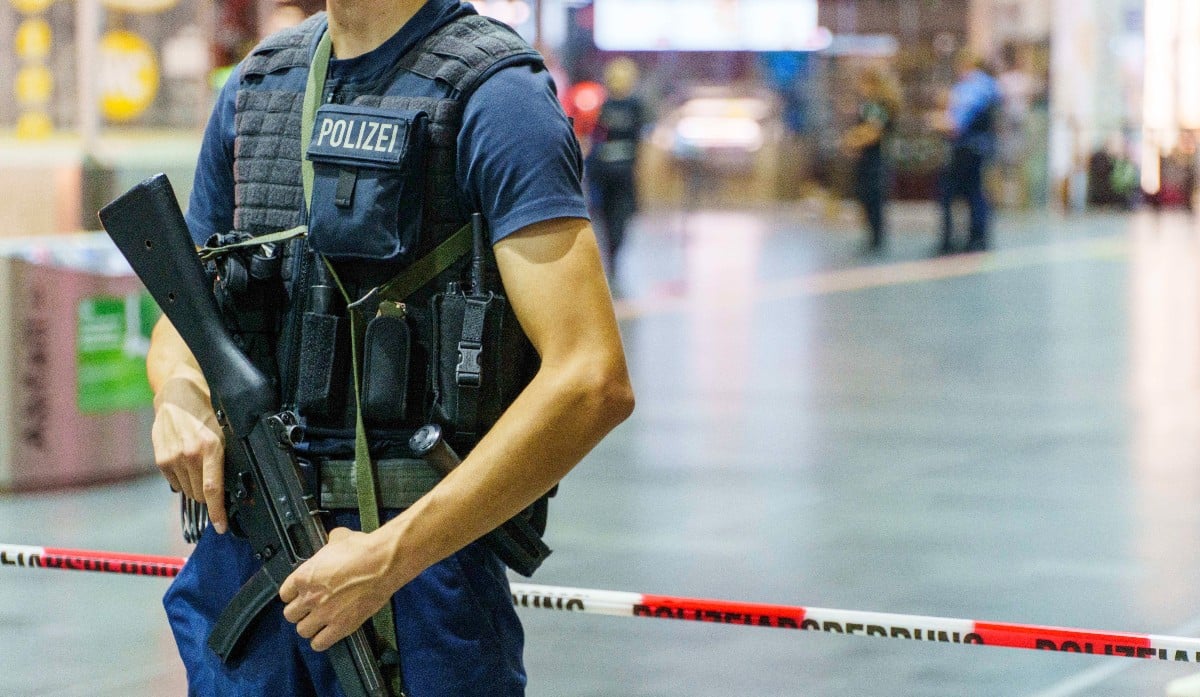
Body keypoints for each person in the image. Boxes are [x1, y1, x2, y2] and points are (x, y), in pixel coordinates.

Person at [145, 1, 635, 695]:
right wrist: (179, 391)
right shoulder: (257, 90)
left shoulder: (496, 96)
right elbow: (182, 317)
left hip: (417, 577)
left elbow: (591, 379)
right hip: (249, 558)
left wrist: (389, 557)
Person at [932, 50, 1001, 254]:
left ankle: (950, 241)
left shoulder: (971, 88)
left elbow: (955, 126)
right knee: (976, 194)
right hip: (981, 149)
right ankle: (976, 237)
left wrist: (936, 122)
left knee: (949, 195)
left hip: (965, 151)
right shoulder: (990, 86)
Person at [586, 57, 647, 275]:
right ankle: (611, 261)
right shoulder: (600, 105)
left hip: (619, 175)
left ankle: (613, 260)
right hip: (605, 175)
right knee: (607, 219)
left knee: (617, 220)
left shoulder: (634, 106)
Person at [840, 65, 899, 254]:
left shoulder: (876, 104)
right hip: (873, 158)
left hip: (875, 160)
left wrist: (853, 140)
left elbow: (873, 131)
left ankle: (875, 239)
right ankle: (874, 237)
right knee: (870, 198)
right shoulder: (875, 104)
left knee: (872, 198)